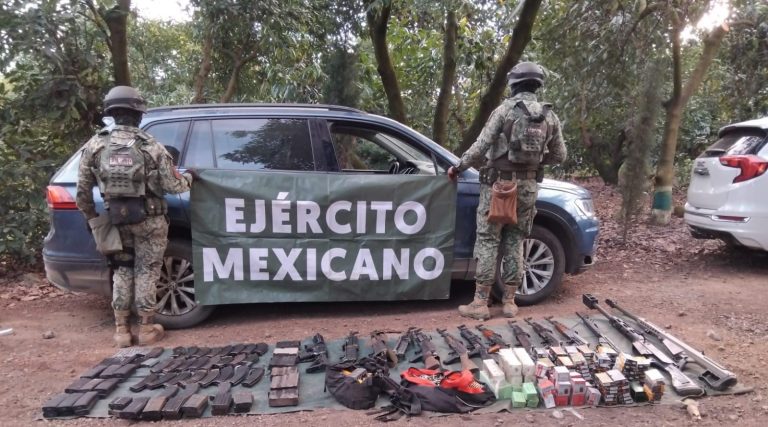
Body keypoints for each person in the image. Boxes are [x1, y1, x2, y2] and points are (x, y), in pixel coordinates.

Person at [76, 86, 194, 347]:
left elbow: (82, 192)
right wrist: (190, 178)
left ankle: (121, 332)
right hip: (151, 221)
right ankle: (147, 328)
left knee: (122, 270)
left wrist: (93, 218)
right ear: (139, 114)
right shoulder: (151, 146)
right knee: (148, 271)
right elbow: (174, 186)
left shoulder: (95, 145)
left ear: (112, 113)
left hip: (116, 219)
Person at [448, 62, 567, 320]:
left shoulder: (505, 111)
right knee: (515, 241)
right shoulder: (549, 116)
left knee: (489, 240)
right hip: (528, 188)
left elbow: (480, 147)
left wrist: (458, 167)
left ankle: (480, 303)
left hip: (499, 186)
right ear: (537, 85)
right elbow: (560, 154)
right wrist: (535, 163)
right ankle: (510, 302)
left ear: (513, 84)